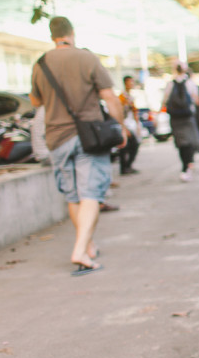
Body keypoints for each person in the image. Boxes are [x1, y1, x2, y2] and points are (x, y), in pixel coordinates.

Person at [29, 16, 127, 276]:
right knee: (91, 194)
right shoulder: (87, 58)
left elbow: (35, 101)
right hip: (89, 137)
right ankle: (80, 250)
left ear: (52, 36)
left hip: (56, 138)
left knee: (73, 196)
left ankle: (88, 244)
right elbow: (109, 96)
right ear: (72, 33)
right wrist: (121, 126)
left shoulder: (41, 64)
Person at [162, 62, 199, 182]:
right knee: (189, 141)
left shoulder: (170, 84)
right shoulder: (190, 83)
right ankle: (188, 165)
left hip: (175, 117)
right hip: (187, 116)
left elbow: (165, 100)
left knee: (181, 142)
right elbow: (197, 101)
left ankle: (184, 166)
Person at [117, 75, 141, 175]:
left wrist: (138, 124)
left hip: (131, 124)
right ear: (125, 83)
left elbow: (134, 112)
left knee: (132, 145)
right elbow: (120, 114)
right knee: (127, 146)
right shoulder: (122, 97)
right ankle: (124, 167)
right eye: (130, 82)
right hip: (125, 125)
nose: (132, 84)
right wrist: (124, 128)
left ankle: (128, 166)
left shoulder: (130, 96)